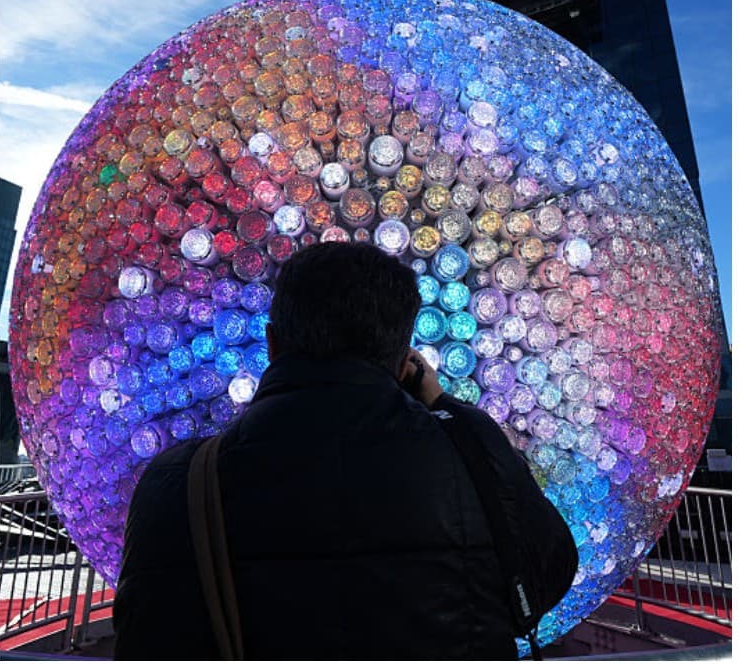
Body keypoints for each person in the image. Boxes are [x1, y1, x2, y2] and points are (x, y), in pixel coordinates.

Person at [113, 242, 577, 660]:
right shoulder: (471, 458)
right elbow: (547, 576)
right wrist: (444, 406)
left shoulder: (179, 482)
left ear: (272, 343)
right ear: (405, 362)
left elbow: (143, 636)